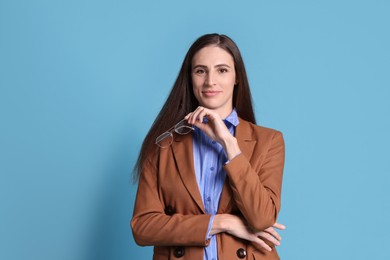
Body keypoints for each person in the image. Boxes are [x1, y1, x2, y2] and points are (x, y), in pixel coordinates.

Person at [131, 33, 286, 260]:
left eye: (222, 70)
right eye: (200, 71)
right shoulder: (163, 144)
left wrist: (229, 144)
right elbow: (142, 227)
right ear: (190, 77)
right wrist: (222, 222)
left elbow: (262, 219)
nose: (210, 81)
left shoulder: (269, 141)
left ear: (236, 77)